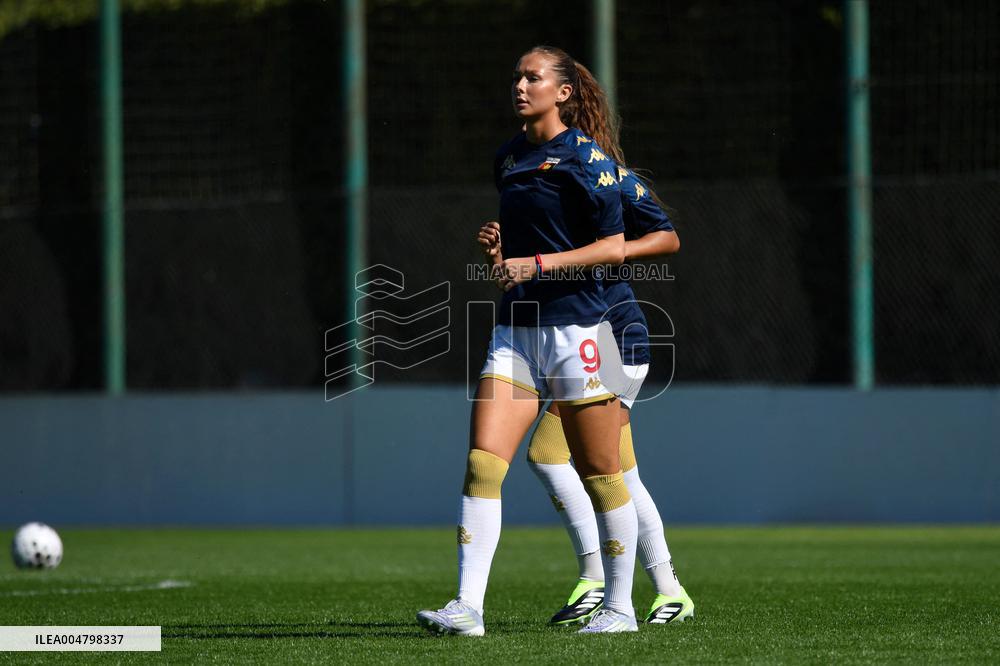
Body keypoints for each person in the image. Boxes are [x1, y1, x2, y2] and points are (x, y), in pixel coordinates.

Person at [417, 45, 641, 635]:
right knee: (482, 466)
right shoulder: (510, 157)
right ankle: (468, 608)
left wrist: (538, 264)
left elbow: (614, 248)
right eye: (516, 74)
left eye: (532, 77)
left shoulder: (587, 159)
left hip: (581, 331)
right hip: (515, 332)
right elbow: (512, 266)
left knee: (601, 473)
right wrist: (499, 256)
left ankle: (621, 608)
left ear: (563, 92)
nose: (519, 84)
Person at [477, 166, 695, 628]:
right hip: (567, 334)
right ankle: (667, 590)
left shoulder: (602, 171)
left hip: (613, 333)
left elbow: (666, 238)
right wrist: (504, 253)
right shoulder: (534, 174)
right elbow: (538, 264)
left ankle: (599, 579)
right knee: (617, 471)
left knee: (557, 456)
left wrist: (612, 254)